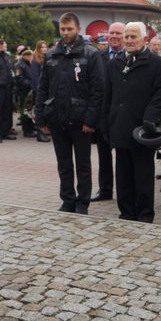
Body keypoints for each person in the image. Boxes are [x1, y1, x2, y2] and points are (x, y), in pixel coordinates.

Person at [102, 22, 161, 223]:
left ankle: (143, 214)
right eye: (127, 37)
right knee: (123, 174)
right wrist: (105, 123)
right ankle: (126, 212)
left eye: (134, 37)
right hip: (119, 126)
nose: (129, 40)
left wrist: (151, 116)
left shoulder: (158, 64)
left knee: (142, 175)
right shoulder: (114, 64)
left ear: (145, 40)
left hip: (142, 129)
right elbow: (108, 95)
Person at [35, 12, 104, 215]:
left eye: (69, 29)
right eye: (62, 29)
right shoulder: (52, 55)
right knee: (64, 164)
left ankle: (83, 202)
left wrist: (91, 119)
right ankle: (67, 199)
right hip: (57, 119)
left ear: (78, 29)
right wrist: (41, 118)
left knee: (83, 165)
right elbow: (43, 88)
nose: (65, 33)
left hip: (81, 121)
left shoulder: (91, 55)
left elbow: (98, 90)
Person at [92, 22, 124, 202]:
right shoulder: (98, 56)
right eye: (111, 33)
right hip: (103, 113)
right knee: (103, 155)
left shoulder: (130, 56)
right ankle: (105, 190)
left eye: (118, 33)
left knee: (123, 156)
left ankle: (124, 191)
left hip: (122, 114)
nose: (114, 36)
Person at [30, 40, 50, 142]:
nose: (44, 49)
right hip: (39, 91)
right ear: (38, 49)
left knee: (46, 112)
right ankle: (40, 133)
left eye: (45, 47)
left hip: (47, 90)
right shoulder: (35, 60)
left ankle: (45, 130)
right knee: (39, 112)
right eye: (42, 47)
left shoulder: (47, 58)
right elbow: (35, 77)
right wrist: (38, 91)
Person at [15, 49, 36, 137]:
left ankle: (31, 128)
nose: (32, 57)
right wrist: (30, 84)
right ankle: (26, 130)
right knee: (25, 111)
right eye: (30, 56)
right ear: (25, 56)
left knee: (30, 110)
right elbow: (19, 78)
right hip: (24, 92)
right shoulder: (20, 65)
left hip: (30, 92)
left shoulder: (29, 64)